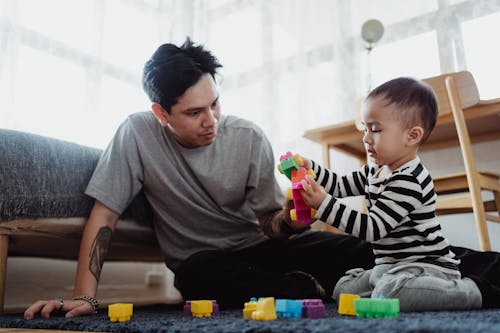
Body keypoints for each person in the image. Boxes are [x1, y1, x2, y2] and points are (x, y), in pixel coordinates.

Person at [23, 39, 500, 320]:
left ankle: (484, 273)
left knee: (372, 252)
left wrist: (294, 219)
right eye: (194, 112)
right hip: (207, 260)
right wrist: (85, 295)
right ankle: (310, 288)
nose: (211, 120)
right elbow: (103, 214)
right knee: (198, 275)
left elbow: (273, 223)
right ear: (160, 113)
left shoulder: (247, 137)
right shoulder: (135, 135)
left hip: (269, 251)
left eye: (215, 104)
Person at [298, 77, 482, 311]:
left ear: (412, 136)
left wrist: (324, 206)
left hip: (428, 267)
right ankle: (385, 285)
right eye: (365, 129)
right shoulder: (375, 169)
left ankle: (468, 292)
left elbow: (373, 229)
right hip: (390, 266)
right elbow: (340, 185)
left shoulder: (409, 179)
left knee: (388, 292)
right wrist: (311, 169)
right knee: (342, 291)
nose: (365, 138)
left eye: (375, 130)